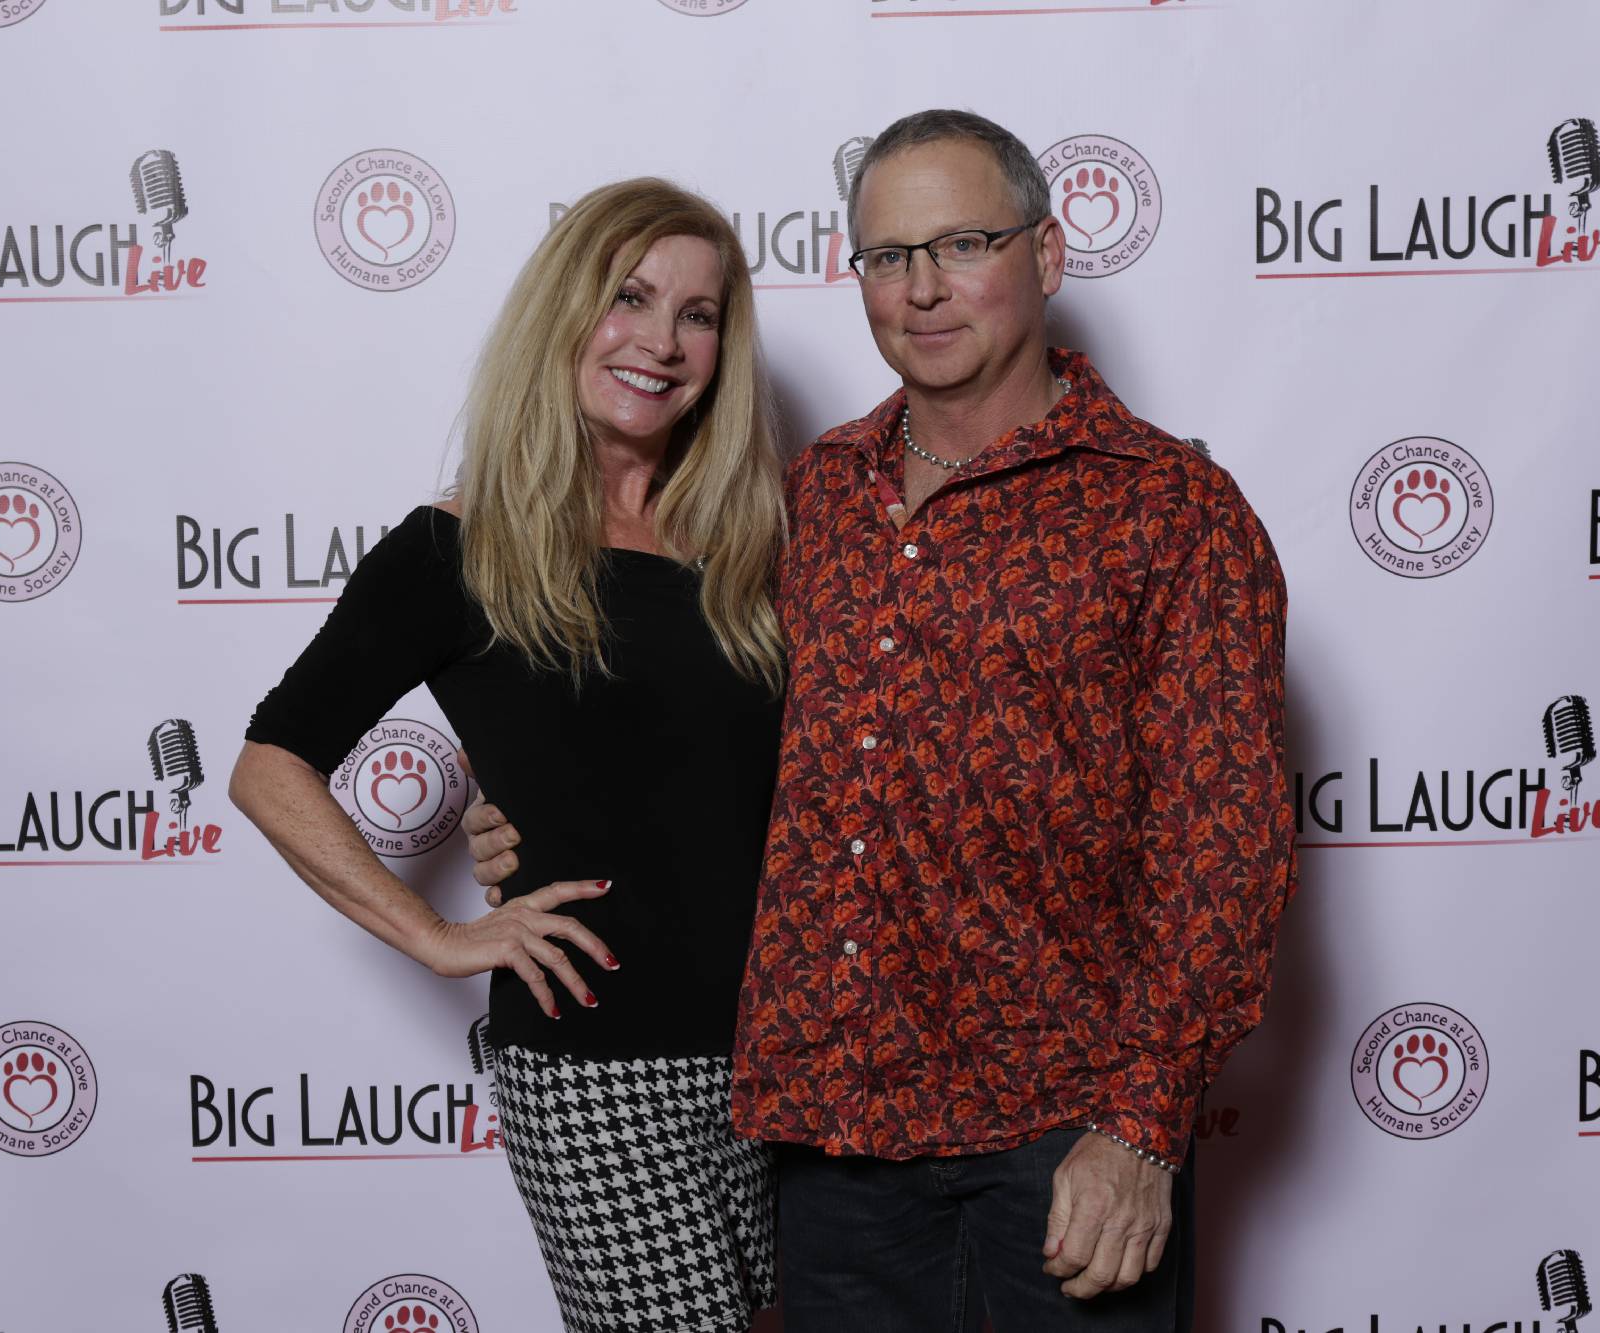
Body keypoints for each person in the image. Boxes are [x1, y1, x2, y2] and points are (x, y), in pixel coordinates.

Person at [465, 110, 1298, 1331]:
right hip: (833, 1147)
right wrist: (531, 805)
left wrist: (1138, 1126)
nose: (921, 288)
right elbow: (695, 725)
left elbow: (1224, 845)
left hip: (1062, 1138)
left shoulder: (1169, 508)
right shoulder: (809, 497)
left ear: (1045, 255)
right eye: (886, 255)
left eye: (961, 244)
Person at [230, 177, 787, 1333]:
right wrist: (436, 935)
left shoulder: (745, 549)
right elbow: (270, 763)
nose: (661, 340)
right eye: (628, 296)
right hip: (596, 1069)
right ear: (563, 312)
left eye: (697, 314)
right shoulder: (460, 549)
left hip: (785, 1059)